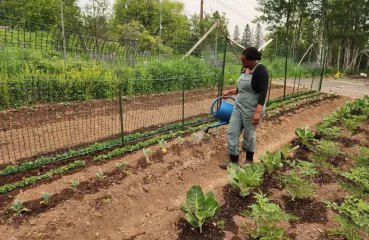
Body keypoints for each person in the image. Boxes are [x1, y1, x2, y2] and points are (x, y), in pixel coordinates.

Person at [219, 47, 269, 169]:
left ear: (253, 60)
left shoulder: (261, 70)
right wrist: (231, 92)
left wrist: (257, 112)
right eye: (242, 61)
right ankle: (233, 160)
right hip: (239, 105)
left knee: (249, 134)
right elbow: (243, 88)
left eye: (245, 61)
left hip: (252, 108)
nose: (243, 63)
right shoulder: (244, 69)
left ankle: (249, 160)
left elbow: (263, 92)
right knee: (232, 131)